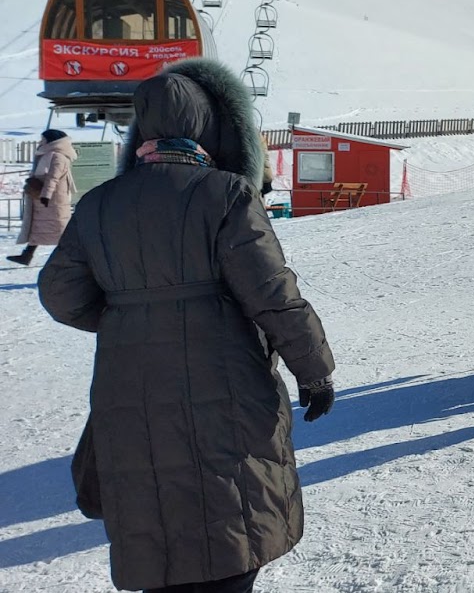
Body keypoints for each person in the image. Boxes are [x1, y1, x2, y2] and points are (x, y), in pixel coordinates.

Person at [38, 58, 335, 593]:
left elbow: (60, 294)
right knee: (230, 518)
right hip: (227, 383)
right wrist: (315, 371)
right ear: (204, 128)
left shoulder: (101, 203)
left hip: (129, 384)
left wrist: (127, 318)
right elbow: (274, 294)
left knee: (155, 517)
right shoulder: (225, 194)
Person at [7, 129, 77, 266]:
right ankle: (26, 255)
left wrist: (46, 195)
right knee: (40, 229)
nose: (40, 142)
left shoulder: (58, 157)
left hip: (52, 200)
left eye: (43, 139)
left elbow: (53, 178)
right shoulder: (48, 154)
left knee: (59, 231)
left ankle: (72, 259)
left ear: (51, 140)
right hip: (43, 200)